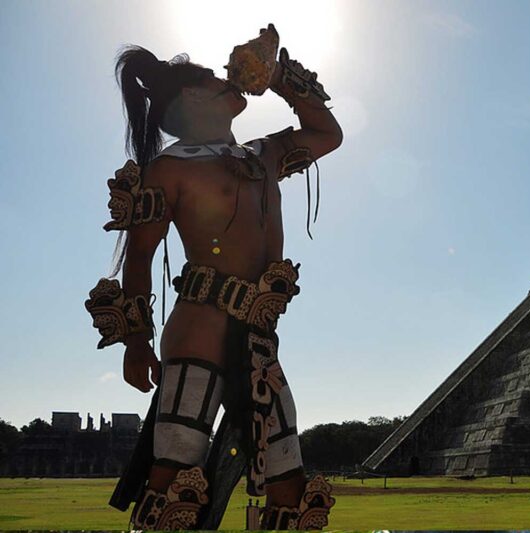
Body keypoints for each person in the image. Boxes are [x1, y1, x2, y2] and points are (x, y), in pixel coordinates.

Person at [84, 33, 342, 529]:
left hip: (260, 343)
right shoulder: (168, 169)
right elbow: (139, 258)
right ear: (193, 97)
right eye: (212, 78)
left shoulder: (264, 154)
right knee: (173, 482)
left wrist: (281, 77)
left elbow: (327, 134)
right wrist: (136, 343)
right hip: (198, 334)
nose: (228, 78)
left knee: (289, 484)